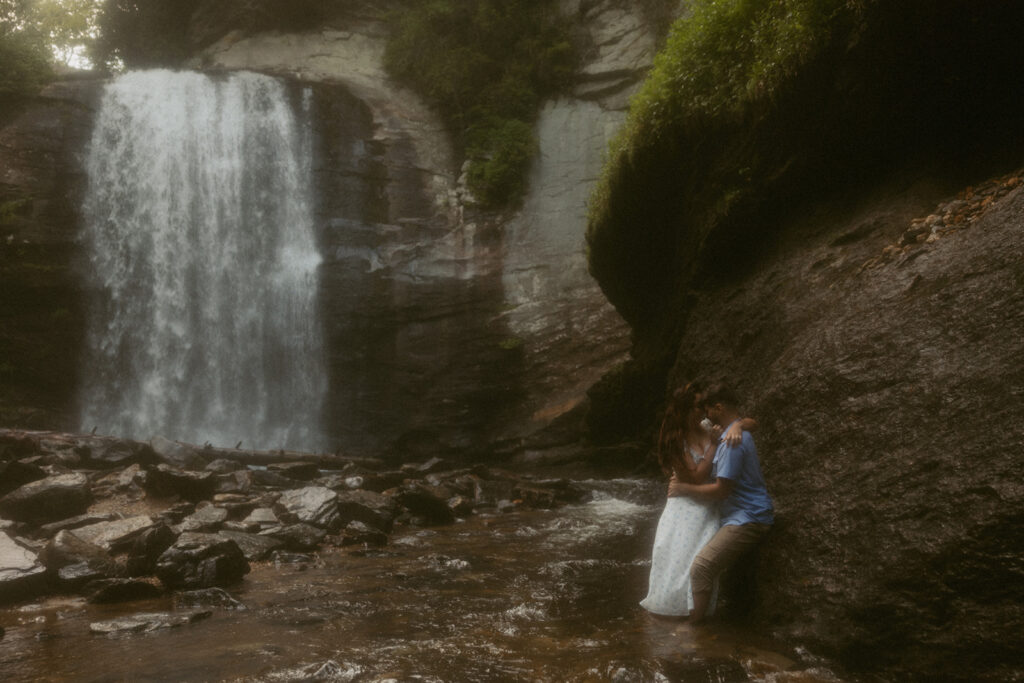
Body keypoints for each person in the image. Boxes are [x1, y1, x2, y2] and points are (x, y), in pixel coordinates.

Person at [639, 383, 753, 618]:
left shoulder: (707, 425)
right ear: (683, 409)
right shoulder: (675, 439)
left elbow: (753, 422)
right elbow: (697, 476)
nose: (703, 411)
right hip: (685, 506)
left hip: (708, 502)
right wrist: (713, 444)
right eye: (697, 406)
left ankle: (695, 619)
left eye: (703, 405)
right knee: (678, 561)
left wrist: (738, 426)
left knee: (700, 561)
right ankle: (670, 615)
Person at [669, 382, 774, 623]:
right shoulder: (732, 434)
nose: (705, 415)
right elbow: (748, 422)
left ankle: (693, 628)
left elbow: (721, 491)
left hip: (749, 518)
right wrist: (737, 423)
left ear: (718, 407)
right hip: (740, 514)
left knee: (701, 567)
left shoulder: (731, 442)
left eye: (708, 409)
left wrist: (683, 488)